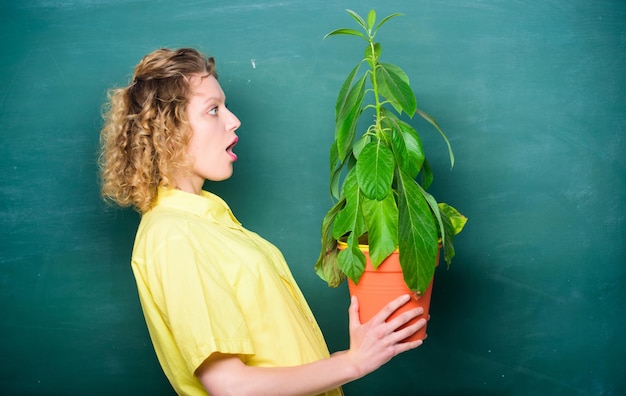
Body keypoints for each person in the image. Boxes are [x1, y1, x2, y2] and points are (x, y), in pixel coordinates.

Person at [99, 47, 425, 396]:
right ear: (169, 129)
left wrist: (354, 354)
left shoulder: (206, 221)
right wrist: (352, 362)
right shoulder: (175, 235)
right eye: (213, 110)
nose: (233, 119)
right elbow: (231, 387)